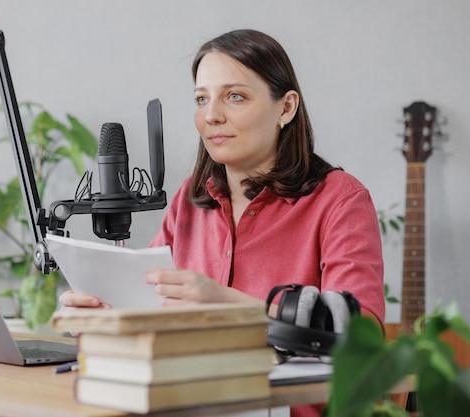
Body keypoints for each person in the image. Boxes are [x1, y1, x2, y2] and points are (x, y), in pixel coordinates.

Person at [60, 29, 385, 417]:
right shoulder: (188, 200)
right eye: (201, 99)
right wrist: (102, 315)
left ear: (286, 108)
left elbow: (363, 337)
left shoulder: (340, 199)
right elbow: (147, 307)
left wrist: (226, 304)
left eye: (235, 96)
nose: (211, 114)